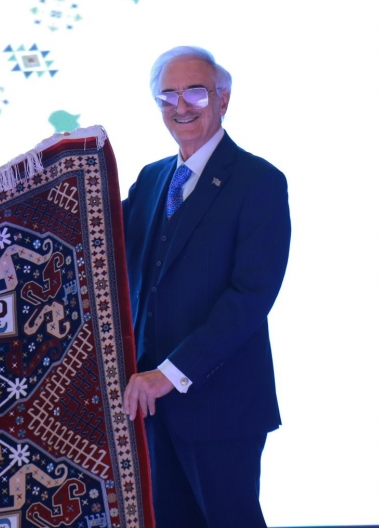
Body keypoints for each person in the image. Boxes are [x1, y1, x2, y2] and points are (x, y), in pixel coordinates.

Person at [121, 46, 291, 527]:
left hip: (222, 409)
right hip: (151, 411)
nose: (181, 106)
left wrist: (169, 373)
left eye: (195, 92)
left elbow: (250, 298)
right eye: (168, 96)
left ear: (223, 98)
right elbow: (95, 244)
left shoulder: (259, 181)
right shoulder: (152, 178)